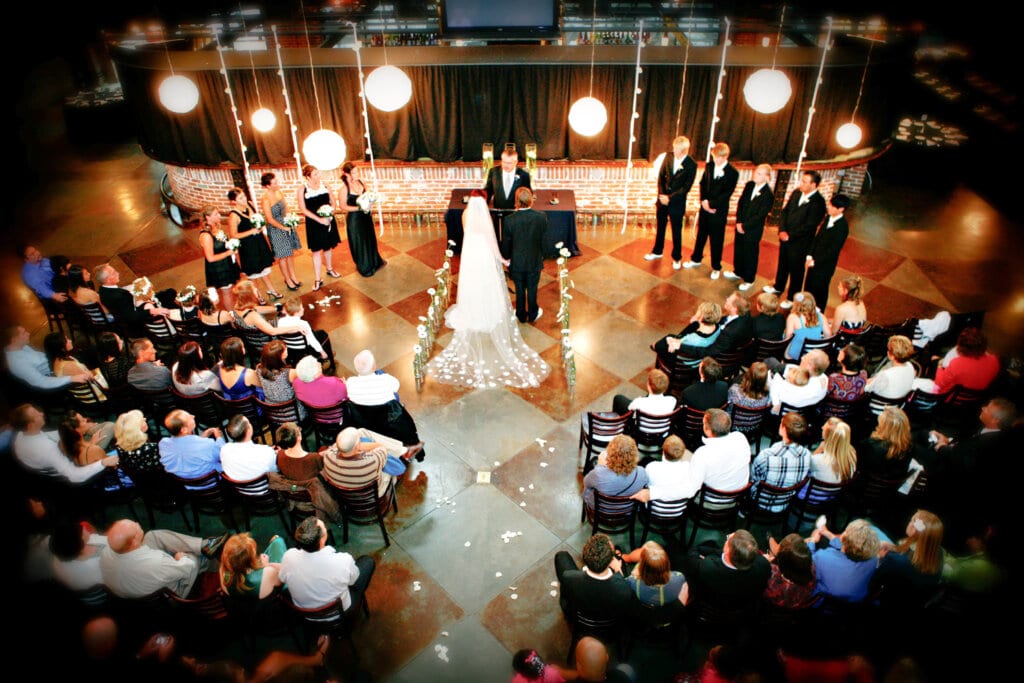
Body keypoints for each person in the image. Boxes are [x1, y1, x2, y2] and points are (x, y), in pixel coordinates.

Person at [427, 192, 550, 389]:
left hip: (470, 256)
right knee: (487, 284)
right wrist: (502, 259)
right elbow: (493, 242)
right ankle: (499, 311)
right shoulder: (486, 217)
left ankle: (473, 311)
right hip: (484, 254)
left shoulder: (465, 214)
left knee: (473, 284)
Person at [100, 518, 228, 598]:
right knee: (194, 557)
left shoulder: (107, 551)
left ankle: (204, 545)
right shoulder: (156, 563)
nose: (138, 523)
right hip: (174, 593)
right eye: (136, 526)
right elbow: (187, 568)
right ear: (133, 542)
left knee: (151, 536)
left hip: (137, 582)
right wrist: (180, 558)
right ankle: (221, 566)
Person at [278, 516, 375, 611]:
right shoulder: (343, 560)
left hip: (305, 614)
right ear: (322, 540)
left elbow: (282, 578)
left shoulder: (288, 557)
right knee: (367, 561)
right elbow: (353, 580)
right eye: (325, 527)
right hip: (340, 612)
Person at [11, 403, 118, 483]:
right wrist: (102, 462)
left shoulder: (21, 435)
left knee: (106, 426)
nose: (41, 413)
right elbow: (74, 476)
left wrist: (80, 429)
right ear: (30, 425)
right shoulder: (47, 450)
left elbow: (55, 435)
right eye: (36, 414)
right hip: (75, 467)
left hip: (65, 452)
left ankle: (85, 427)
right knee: (108, 431)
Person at [765, 170, 827, 303]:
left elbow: (809, 225)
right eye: (802, 180)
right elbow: (785, 211)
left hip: (800, 243)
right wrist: (781, 230)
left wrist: (790, 235)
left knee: (796, 271)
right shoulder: (796, 193)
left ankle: (792, 297)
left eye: (805, 182)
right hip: (785, 237)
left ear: (814, 185)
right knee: (783, 265)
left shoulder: (818, 203)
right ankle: (778, 286)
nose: (801, 184)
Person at [683, 142, 739, 279]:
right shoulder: (709, 166)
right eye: (714, 157)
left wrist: (712, 205)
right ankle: (696, 259)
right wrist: (703, 201)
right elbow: (703, 184)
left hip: (718, 211)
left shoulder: (733, 173)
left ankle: (716, 267)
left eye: (719, 158)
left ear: (726, 156)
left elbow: (727, 194)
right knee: (701, 235)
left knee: (716, 240)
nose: (716, 160)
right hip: (705, 208)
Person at [682, 530, 771, 614]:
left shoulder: (707, 567)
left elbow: (692, 555)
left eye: (727, 539)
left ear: (727, 550)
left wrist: (706, 557)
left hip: (708, 606)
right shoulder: (764, 567)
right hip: (741, 610)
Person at [553, 533, 635, 622]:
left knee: (561, 555)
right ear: (610, 562)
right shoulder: (624, 588)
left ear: (585, 557)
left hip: (577, 616)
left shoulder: (569, 577)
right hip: (606, 621)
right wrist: (619, 570)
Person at [873, 509, 945, 607]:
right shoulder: (938, 552)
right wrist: (894, 548)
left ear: (915, 529)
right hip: (915, 603)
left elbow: (873, 584)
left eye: (912, 520)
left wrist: (880, 559)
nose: (909, 522)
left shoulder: (895, 561)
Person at [644, 135, 697, 267]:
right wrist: (662, 195)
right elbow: (661, 177)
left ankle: (677, 257)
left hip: (677, 202)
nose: (674, 151)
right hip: (662, 200)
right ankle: (657, 251)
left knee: (676, 230)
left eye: (677, 149)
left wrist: (670, 198)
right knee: (660, 226)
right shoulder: (668, 157)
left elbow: (686, 187)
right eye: (674, 147)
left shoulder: (691, 164)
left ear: (684, 151)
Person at [501, 187, 548, 324]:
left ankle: (521, 314)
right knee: (533, 288)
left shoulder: (509, 220)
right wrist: (542, 256)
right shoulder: (541, 217)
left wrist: (506, 258)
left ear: (516, 201)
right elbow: (543, 240)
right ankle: (533, 313)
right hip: (534, 260)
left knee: (519, 288)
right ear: (531, 200)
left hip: (517, 262)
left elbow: (506, 244)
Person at [724, 163, 774, 290]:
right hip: (741, 225)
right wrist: (739, 221)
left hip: (752, 230)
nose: (755, 175)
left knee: (750, 253)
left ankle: (749, 279)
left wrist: (745, 226)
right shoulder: (749, 185)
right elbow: (741, 203)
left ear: (767, 177)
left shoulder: (768, 194)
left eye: (759, 173)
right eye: (755, 172)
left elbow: (760, 215)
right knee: (739, 249)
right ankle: (737, 271)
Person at [807, 518, 880, 603]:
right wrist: (828, 534)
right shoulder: (873, 559)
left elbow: (808, 561)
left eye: (845, 531)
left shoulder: (823, 557)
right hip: (854, 603)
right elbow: (850, 548)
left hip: (822, 601)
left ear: (844, 539)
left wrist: (812, 541)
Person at [749, 412, 812, 511]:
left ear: (784, 430)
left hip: (760, 501)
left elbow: (754, 478)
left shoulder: (766, 456)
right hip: (785, 503)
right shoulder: (807, 455)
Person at [226, 186, 279, 302]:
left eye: (244, 196)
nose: (244, 199)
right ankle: (258, 296)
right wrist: (251, 231)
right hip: (248, 247)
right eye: (240, 198)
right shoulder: (234, 216)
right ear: (233, 202)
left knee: (264, 268)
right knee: (254, 273)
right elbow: (233, 235)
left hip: (259, 242)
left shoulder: (249, 204)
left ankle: (271, 290)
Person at [5, 325, 91, 391]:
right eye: (23, 333)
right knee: (88, 357)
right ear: (14, 339)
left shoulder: (22, 346)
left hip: (55, 363)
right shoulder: (17, 363)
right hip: (55, 378)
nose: (28, 333)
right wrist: (71, 379)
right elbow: (41, 382)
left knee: (85, 350)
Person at [298, 164, 341, 292]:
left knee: (328, 246)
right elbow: (303, 209)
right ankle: (317, 279)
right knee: (316, 251)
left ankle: (329, 268)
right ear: (308, 176)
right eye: (315, 174)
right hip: (314, 223)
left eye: (318, 173)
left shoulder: (325, 186)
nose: (318, 175)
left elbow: (333, 201)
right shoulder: (302, 189)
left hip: (328, 220)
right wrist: (319, 220)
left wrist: (330, 213)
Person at [804, 194, 851, 309]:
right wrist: (810, 255)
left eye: (832, 206)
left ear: (841, 209)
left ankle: (818, 312)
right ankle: (806, 308)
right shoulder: (828, 218)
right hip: (813, 261)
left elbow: (832, 251)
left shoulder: (842, 227)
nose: (828, 207)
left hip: (824, 265)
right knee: (808, 286)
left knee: (819, 290)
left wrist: (816, 261)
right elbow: (817, 237)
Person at [339, 161, 386, 277]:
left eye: (357, 171)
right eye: (354, 172)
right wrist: (359, 208)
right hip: (355, 220)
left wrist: (372, 202)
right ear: (347, 174)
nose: (357, 174)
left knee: (369, 238)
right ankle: (364, 266)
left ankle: (374, 262)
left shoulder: (361, 182)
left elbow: (368, 196)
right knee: (359, 242)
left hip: (366, 216)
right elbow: (343, 206)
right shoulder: (344, 189)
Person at [320, 426, 396, 498]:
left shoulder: (327, 457)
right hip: (371, 496)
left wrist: (356, 446)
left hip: (344, 497)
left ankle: (401, 449)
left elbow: (335, 447)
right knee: (390, 471)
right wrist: (361, 446)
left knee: (362, 431)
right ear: (357, 446)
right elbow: (381, 447)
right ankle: (401, 451)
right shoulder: (373, 461)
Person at [688, 409, 751, 492]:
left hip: (711, 501)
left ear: (708, 431)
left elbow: (693, 487)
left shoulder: (702, 454)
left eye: (703, 423)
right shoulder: (741, 438)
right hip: (739, 495)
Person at [582, 434, 648, 510]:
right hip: (626, 510)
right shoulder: (642, 473)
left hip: (601, 509)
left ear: (610, 454)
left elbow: (586, 482)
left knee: (592, 462)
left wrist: (600, 466)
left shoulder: (599, 474)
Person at [260, 171, 302, 291]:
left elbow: (286, 208)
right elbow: (269, 219)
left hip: (285, 223)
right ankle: (287, 279)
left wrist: (290, 220)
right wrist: (283, 227)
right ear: (268, 185)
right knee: (282, 256)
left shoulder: (279, 192)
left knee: (290, 254)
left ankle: (293, 276)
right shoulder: (266, 199)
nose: (277, 184)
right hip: (275, 229)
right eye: (274, 183)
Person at [928, 327, 1000, 394]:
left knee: (934, 360)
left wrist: (939, 366)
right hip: (974, 398)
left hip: (949, 398)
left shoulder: (957, 363)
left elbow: (940, 384)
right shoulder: (994, 360)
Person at [159, 409, 225, 480]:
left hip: (187, 484)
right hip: (213, 481)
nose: (193, 416)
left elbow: (187, 450)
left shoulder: (164, 444)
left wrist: (202, 438)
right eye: (189, 418)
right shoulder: (208, 444)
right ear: (184, 430)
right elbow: (224, 455)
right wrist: (219, 437)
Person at [219, 532, 285, 600]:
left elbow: (228, 576)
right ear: (249, 563)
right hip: (267, 605)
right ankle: (275, 541)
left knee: (275, 543)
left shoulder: (223, 571)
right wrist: (267, 565)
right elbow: (282, 579)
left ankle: (274, 543)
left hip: (243, 605)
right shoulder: (268, 572)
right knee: (278, 541)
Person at [198, 206, 242, 308]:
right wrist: (228, 253)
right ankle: (232, 316)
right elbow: (210, 258)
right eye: (216, 214)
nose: (219, 216)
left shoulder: (216, 228)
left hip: (227, 263)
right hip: (219, 268)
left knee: (231, 290)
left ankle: (234, 310)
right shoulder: (206, 235)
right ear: (208, 217)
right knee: (227, 292)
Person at [621, 540, 689, 606]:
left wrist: (620, 570)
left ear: (642, 567)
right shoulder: (679, 578)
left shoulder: (633, 582)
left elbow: (623, 584)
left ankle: (623, 556)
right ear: (667, 564)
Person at [654, 301, 722, 367]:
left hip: (685, 362)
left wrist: (670, 340)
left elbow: (679, 344)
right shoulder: (718, 327)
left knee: (660, 344)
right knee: (672, 336)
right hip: (698, 359)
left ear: (701, 317)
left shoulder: (692, 338)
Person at [857, 406, 915, 480]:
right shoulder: (910, 445)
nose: (877, 426)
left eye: (879, 424)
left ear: (885, 428)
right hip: (890, 486)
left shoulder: (870, 446)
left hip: (867, 483)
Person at [763, 533, 818, 610]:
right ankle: (770, 537)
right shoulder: (813, 572)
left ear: (781, 563)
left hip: (770, 610)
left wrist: (765, 562)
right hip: (796, 610)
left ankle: (769, 536)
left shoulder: (771, 580)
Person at [635, 434, 698, 502]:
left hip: (655, 509)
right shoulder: (688, 468)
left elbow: (645, 485)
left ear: (663, 452)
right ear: (682, 454)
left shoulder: (651, 467)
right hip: (679, 510)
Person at [219, 415, 278, 481]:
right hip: (266, 488)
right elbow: (276, 472)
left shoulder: (224, 450)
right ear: (249, 431)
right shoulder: (266, 452)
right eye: (249, 423)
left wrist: (269, 453)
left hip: (241, 490)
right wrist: (278, 455)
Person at [805, 417, 857, 489]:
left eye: (824, 428)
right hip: (834, 494)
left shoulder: (818, 460)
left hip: (812, 495)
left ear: (829, 437)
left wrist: (819, 449)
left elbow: (804, 467)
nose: (822, 427)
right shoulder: (852, 454)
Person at [257, 340, 304, 418]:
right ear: (280, 356)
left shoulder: (259, 369)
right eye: (285, 349)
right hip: (293, 414)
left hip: (272, 413)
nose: (287, 348)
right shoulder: (290, 373)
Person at [277, 298, 329, 362]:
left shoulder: (280, 322)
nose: (303, 309)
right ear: (296, 312)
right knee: (322, 333)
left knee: (313, 332)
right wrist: (322, 352)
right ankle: (327, 353)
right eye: (301, 308)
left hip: (290, 347)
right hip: (304, 348)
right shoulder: (303, 324)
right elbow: (312, 340)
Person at [865, 334, 917, 399]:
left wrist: (865, 381)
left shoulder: (886, 374)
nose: (887, 352)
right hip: (899, 403)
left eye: (888, 350)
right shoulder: (910, 366)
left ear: (892, 356)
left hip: (879, 405)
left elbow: (867, 389)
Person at [783, 291, 831, 361]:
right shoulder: (821, 316)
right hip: (813, 354)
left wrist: (786, 356)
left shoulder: (793, 317)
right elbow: (828, 335)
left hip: (796, 354)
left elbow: (788, 338)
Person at [114, 409, 163, 475]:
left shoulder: (119, 446)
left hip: (136, 478)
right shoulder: (151, 448)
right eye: (141, 420)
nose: (145, 419)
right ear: (137, 429)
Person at [216, 336, 265, 402]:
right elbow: (263, 386)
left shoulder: (218, 367)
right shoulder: (248, 374)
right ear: (241, 351)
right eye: (243, 347)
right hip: (251, 406)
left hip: (231, 405)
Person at [611, 368, 675, 417]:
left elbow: (630, 408)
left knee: (618, 398)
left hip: (640, 429)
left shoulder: (639, 402)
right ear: (665, 389)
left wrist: (639, 400)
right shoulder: (672, 400)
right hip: (661, 431)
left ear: (648, 386)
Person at [484, 147, 531, 212]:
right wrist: (483, 207)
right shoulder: (494, 172)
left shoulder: (524, 175)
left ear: (516, 162)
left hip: (515, 214)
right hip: (498, 212)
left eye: (509, 163)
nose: (506, 165)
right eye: (504, 162)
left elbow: (527, 196)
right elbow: (488, 192)